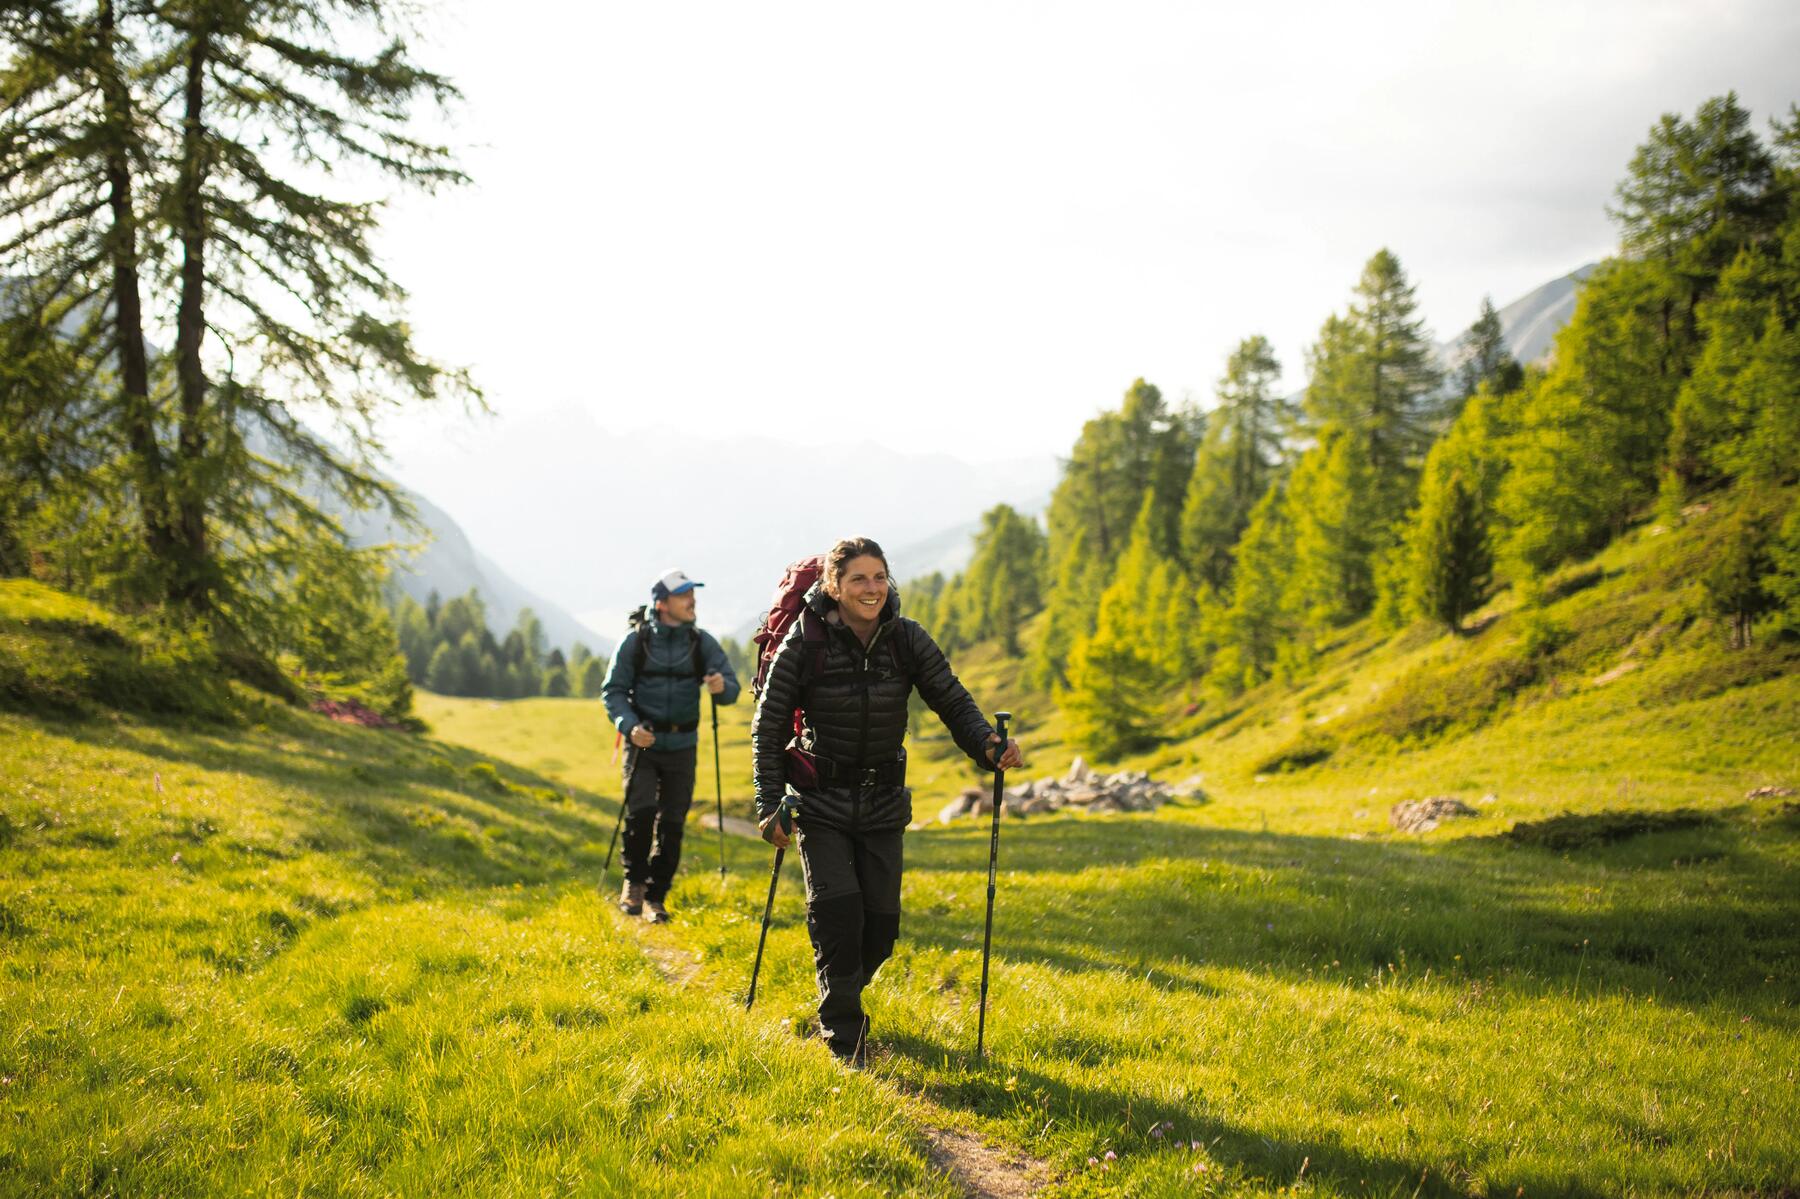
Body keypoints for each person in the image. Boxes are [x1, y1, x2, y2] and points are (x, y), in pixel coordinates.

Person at [752, 537, 1022, 1066]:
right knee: (838, 915)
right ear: (834, 586)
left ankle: (839, 994)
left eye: (879, 577)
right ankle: (843, 1037)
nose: (872, 588)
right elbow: (768, 725)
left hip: (882, 800)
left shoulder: (907, 639)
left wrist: (986, 746)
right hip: (821, 798)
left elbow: (951, 699)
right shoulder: (804, 642)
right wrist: (768, 803)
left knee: (881, 927)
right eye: (858, 579)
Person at [603, 568, 741, 923]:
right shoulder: (635, 642)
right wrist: (629, 727)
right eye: (684, 595)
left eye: (692, 594)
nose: (692, 600)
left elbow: (732, 687)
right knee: (642, 813)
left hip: (683, 745)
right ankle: (633, 884)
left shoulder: (701, 642)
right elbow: (613, 692)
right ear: (662, 604)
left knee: (674, 821)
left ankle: (656, 896)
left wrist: (720, 687)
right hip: (643, 743)